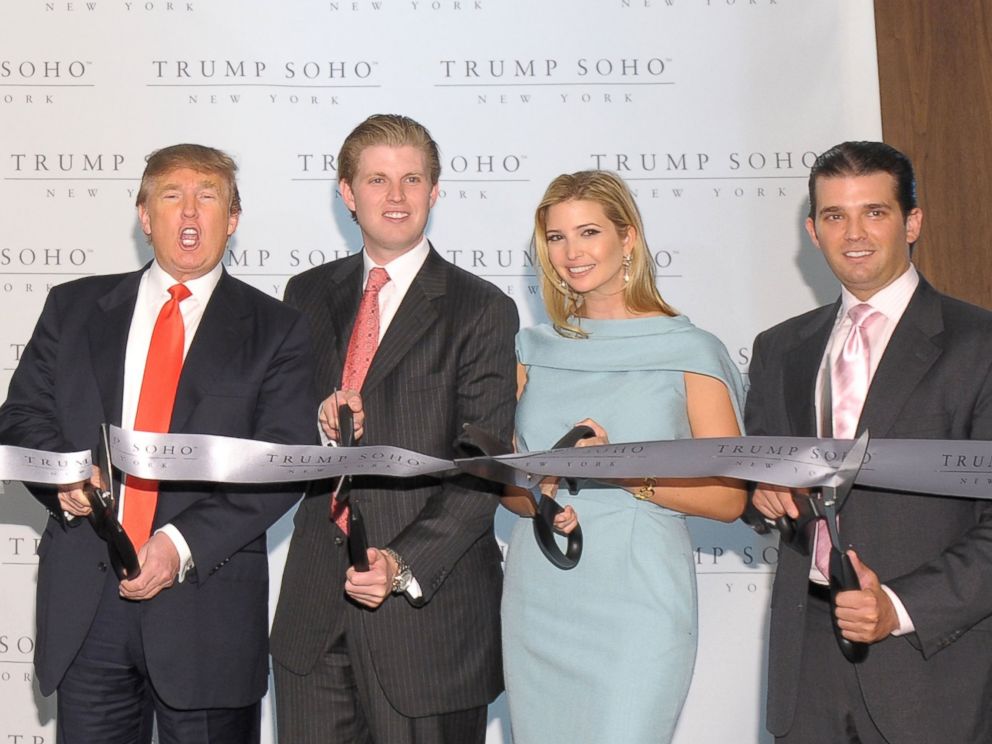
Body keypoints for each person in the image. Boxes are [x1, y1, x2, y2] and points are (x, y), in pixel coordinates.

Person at [0, 144, 317, 744]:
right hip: (87, 610)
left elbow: (282, 464)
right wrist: (63, 477)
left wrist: (178, 544)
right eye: (171, 195)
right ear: (145, 216)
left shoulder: (278, 330)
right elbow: (21, 418)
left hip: (206, 611)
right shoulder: (72, 308)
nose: (189, 211)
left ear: (234, 217)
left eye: (209, 196)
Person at [269, 114, 518, 744]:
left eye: (412, 179)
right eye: (377, 180)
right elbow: (276, 437)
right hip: (310, 620)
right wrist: (320, 429)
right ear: (347, 195)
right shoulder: (303, 294)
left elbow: (483, 471)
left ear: (435, 192)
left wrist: (403, 563)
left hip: (425, 624)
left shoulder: (482, 308)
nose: (397, 196)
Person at [746, 141, 992, 744]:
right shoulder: (779, 349)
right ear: (813, 229)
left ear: (912, 222)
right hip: (805, 669)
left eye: (874, 212)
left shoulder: (980, 345)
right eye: (834, 216)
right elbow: (768, 490)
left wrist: (900, 607)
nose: (853, 233)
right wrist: (762, 493)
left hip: (932, 669)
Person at [500, 170, 747, 744]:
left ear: (628, 237)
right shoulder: (532, 350)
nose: (571, 253)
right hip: (543, 595)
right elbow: (511, 490)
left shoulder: (691, 350)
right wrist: (540, 494)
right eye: (556, 238)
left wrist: (621, 470)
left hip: (639, 603)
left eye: (588, 232)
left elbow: (730, 499)